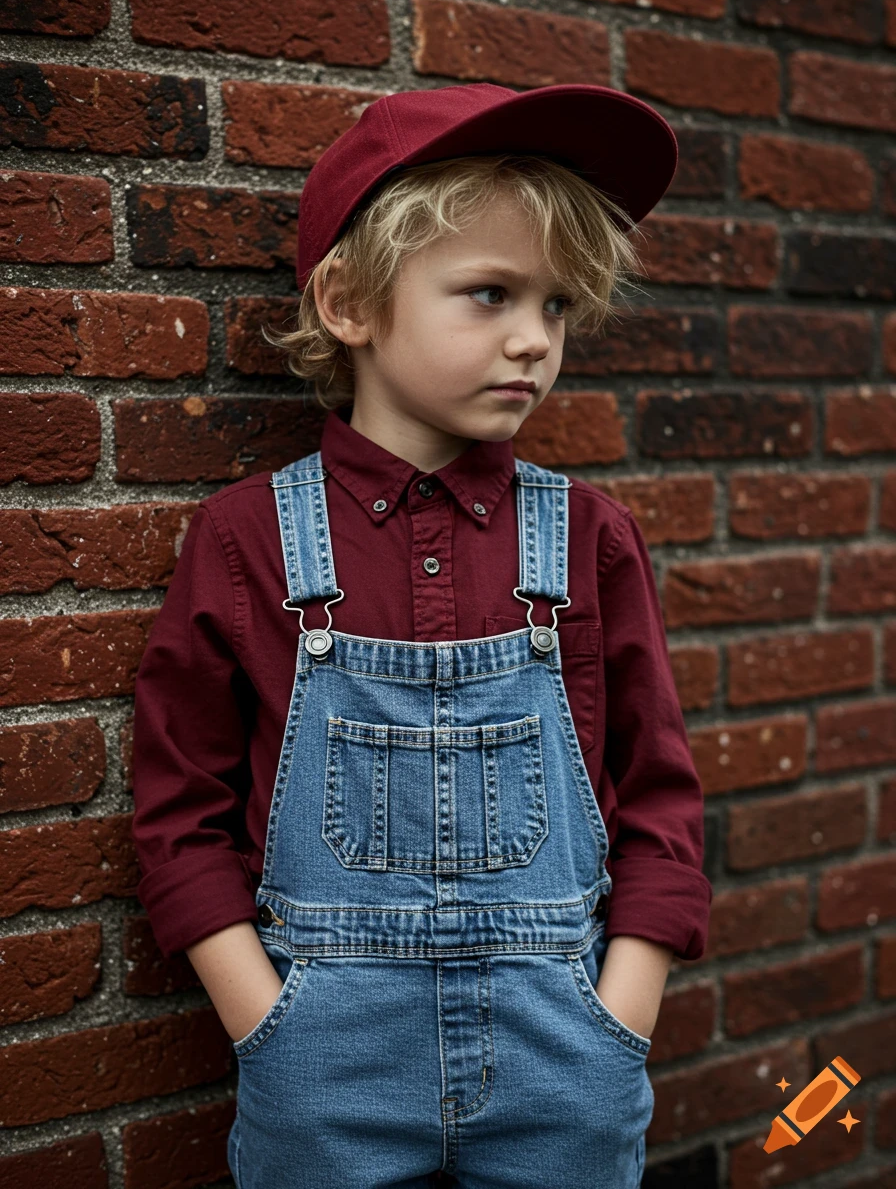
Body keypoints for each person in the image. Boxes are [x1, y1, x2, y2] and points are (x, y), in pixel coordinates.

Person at [131, 81, 713, 1189]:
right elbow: (176, 810)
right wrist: (268, 1021)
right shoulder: (249, 539)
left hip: (564, 1059)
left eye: (554, 307)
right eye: (489, 293)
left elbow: (656, 797)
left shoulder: (588, 540)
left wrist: (618, 1015)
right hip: (323, 1067)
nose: (532, 340)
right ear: (349, 303)